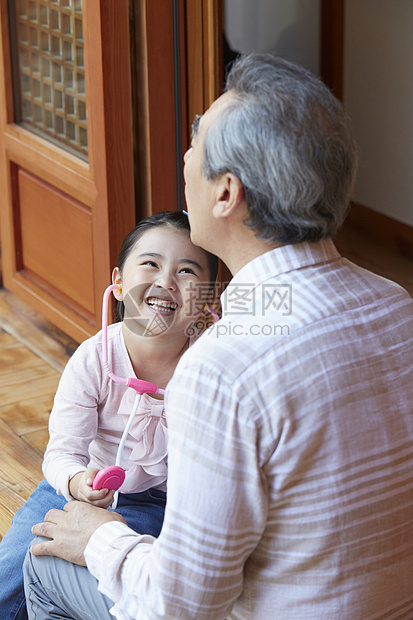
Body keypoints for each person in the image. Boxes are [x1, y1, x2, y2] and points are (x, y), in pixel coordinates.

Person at [24, 53, 413, 619]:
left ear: (226, 192)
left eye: (194, 144)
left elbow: (179, 605)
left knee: (44, 565)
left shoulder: (220, 367)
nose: (184, 159)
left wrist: (99, 538)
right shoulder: (394, 305)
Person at [0, 210, 218, 620]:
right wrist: (79, 482)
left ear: (205, 299)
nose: (166, 280)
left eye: (187, 271)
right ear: (118, 284)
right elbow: (62, 451)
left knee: (125, 590)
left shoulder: (210, 368)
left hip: (166, 506)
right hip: (78, 488)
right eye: (150, 263)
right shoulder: (93, 359)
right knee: (11, 571)